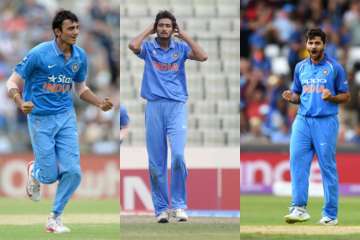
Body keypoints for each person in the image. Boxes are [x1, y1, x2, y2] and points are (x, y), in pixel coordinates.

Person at [6, 10, 113, 233]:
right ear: (57, 32)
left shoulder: (80, 56)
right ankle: (36, 171)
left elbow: (80, 88)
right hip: (40, 119)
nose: (75, 33)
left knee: (73, 172)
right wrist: (19, 102)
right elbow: (12, 83)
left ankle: (54, 218)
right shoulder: (38, 53)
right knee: (49, 176)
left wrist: (99, 103)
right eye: (70, 29)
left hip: (66, 117)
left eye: (77, 28)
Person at [128, 10, 207, 223]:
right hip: (154, 107)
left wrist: (185, 36)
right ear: (156, 28)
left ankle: (180, 206)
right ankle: (161, 209)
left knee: (179, 156)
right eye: (160, 25)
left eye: (167, 26)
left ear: (173, 29)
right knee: (156, 163)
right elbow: (133, 45)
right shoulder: (149, 47)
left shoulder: (180, 48)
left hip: (176, 106)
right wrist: (148, 31)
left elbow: (203, 56)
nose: (164, 29)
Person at [282, 28, 350, 226]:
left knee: (327, 167)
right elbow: (298, 94)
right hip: (302, 120)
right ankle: (298, 207)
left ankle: (330, 214)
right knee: (297, 162)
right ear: (306, 45)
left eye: (317, 43)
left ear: (324, 45)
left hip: (325, 121)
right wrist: (291, 97)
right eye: (310, 43)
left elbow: (346, 95)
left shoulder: (334, 68)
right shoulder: (300, 67)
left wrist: (332, 97)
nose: (313, 47)